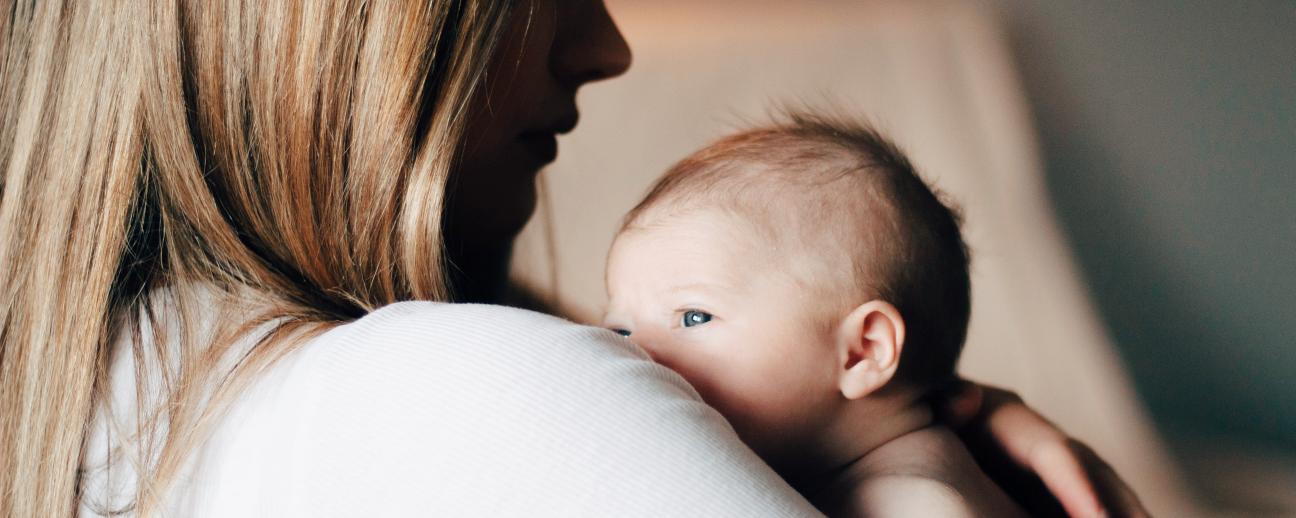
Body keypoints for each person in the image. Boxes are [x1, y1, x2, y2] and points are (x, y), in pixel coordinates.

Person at [0, 1, 1145, 517]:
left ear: (866, 345)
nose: (606, 43)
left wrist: (927, 407)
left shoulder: (103, 390)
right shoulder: (460, 390)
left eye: (691, 318)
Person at [603, 114, 1024, 517]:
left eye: (694, 317)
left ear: (862, 351)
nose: (636, 352)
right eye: (620, 329)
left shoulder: (913, 502)